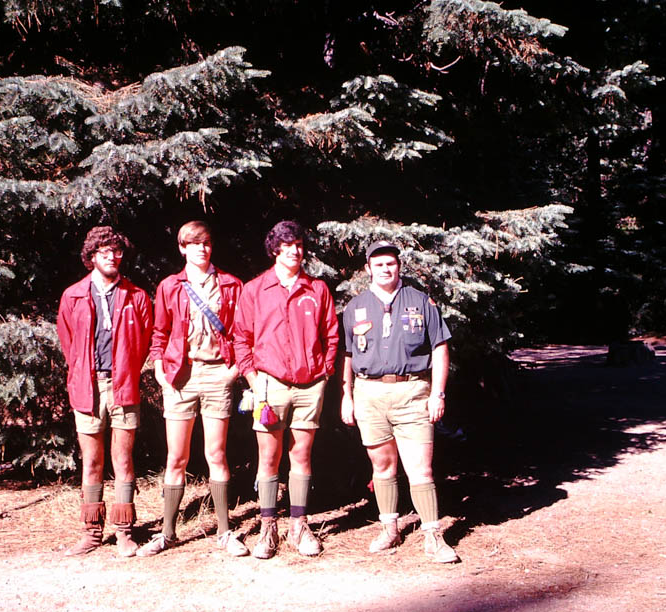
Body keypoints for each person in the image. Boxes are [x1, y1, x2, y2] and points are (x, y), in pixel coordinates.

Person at [339, 240, 459, 563]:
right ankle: (389, 529)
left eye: (390, 263)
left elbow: (440, 348)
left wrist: (438, 392)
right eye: (378, 264)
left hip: (412, 393)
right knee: (382, 466)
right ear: (368, 269)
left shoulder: (420, 302)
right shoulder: (355, 308)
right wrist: (346, 396)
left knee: (420, 468)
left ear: (399, 266)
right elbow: (348, 356)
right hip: (370, 395)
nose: (385, 269)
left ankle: (434, 537)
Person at [136, 221, 248, 558]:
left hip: (218, 375)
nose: (201, 249)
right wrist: (158, 366)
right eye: (193, 243)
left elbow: (243, 331)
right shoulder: (171, 286)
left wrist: (232, 371)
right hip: (180, 376)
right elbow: (159, 332)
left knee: (216, 455)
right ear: (182, 248)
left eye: (206, 243)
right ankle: (167, 533)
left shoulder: (230, 284)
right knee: (177, 457)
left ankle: (226, 532)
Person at [233, 220, 340, 559]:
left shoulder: (317, 289)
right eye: (288, 244)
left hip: (310, 385)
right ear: (274, 249)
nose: (295, 250)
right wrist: (252, 379)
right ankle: (268, 527)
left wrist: (324, 374)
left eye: (299, 244)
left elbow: (331, 335)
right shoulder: (255, 289)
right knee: (269, 456)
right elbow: (241, 338)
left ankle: (299, 525)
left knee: (302, 455)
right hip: (269, 384)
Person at [57, 226, 152, 557]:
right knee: (92, 462)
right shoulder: (73, 296)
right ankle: (91, 533)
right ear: (91, 257)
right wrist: (86, 373)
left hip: (124, 385)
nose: (112, 257)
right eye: (104, 251)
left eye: (117, 251)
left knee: (123, 460)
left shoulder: (136, 296)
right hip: (87, 387)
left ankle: (124, 532)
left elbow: (142, 345)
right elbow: (69, 343)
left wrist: (125, 372)